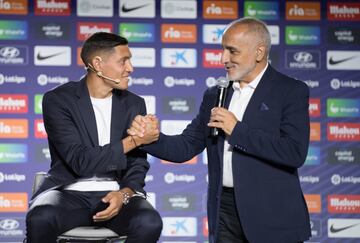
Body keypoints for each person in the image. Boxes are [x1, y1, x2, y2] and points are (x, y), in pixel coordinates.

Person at [129, 17, 311, 243]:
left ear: (259, 52)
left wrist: (236, 130)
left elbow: (294, 152)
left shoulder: (290, 91)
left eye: (232, 51)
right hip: (224, 211)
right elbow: (186, 146)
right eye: (223, 50)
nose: (224, 58)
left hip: (273, 216)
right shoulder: (215, 94)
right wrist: (148, 138)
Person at [25, 32, 162, 243]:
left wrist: (124, 194)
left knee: (149, 222)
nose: (130, 68)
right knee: (41, 217)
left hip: (115, 193)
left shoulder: (134, 103)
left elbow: (137, 163)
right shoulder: (58, 100)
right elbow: (80, 161)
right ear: (98, 64)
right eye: (123, 61)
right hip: (67, 194)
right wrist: (134, 140)